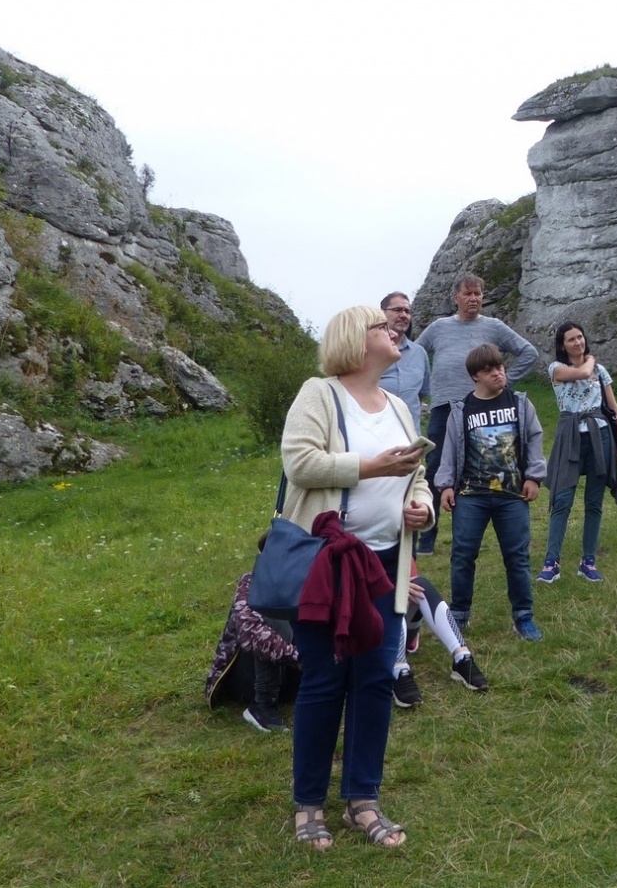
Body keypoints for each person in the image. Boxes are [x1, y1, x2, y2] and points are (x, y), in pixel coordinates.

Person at [280, 305, 434, 849]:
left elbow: (417, 476)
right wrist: (372, 467)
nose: (396, 331)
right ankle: (308, 806)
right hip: (331, 562)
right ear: (356, 339)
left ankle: (363, 801)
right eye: (381, 326)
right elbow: (299, 463)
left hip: (387, 562)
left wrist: (422, 509)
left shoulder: (397, 404)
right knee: (324, 682)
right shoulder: (319, 394)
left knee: (373, 682)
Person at [415, 274, 539, 553]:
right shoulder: (438, 328)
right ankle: (427, 537)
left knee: (479, 466)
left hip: (481, 409)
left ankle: (488, 529)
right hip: (444, 407)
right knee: (435, 467)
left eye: (478, 294)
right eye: (468, 293)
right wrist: (419, 390)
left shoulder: (493, 327)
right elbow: (416, 356)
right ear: (455, 298)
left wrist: (506, 383)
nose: (474, 299)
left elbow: (528, 352)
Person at [434, 344, 547, 641]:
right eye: (490, 370)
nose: (498, 373)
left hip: (512, 496)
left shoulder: (521, 403)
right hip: (470, 496)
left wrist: (534, 476)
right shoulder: (461, 411)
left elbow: (535, 439)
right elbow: (449, 450)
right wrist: (446, 485)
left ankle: (523, 617)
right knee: (462, 555)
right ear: (475, 376)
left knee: (518, 557)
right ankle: (459, 614)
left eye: (500, 367)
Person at [539, 321, 617, 584]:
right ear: (562, 345)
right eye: (571, 339)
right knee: (562, 498)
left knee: (594, 502)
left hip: (599, 435)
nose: (578, 342)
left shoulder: (601, 371)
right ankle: (551, 562)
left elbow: (614, 406)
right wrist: (591, 361)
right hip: (570, 434)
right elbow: (584, 372)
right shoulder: (557, 369)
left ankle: (588, 561)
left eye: (580, 337)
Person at [205, 562, 301, 732]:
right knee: (272, 607)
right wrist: (298, 657)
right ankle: (262, 706)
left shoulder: (311, 577)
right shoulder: (254, 581)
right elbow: (251, 634)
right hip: (249, 681)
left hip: (296, 674)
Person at [390, 570, 488, 708]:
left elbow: (408, 572)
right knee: (388, 593)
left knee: (420, 585)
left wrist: (399, 583)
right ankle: (398, 671)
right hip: (360, 631)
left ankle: (462, 657)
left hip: (392, 634)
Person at [378, 292, 431, 424]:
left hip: (410, 436)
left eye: (407, 311)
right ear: (381, 313)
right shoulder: (368, 350)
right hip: (376, 433)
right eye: (397, 310)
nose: (403, 315)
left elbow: (420, 395)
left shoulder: (420, 353)